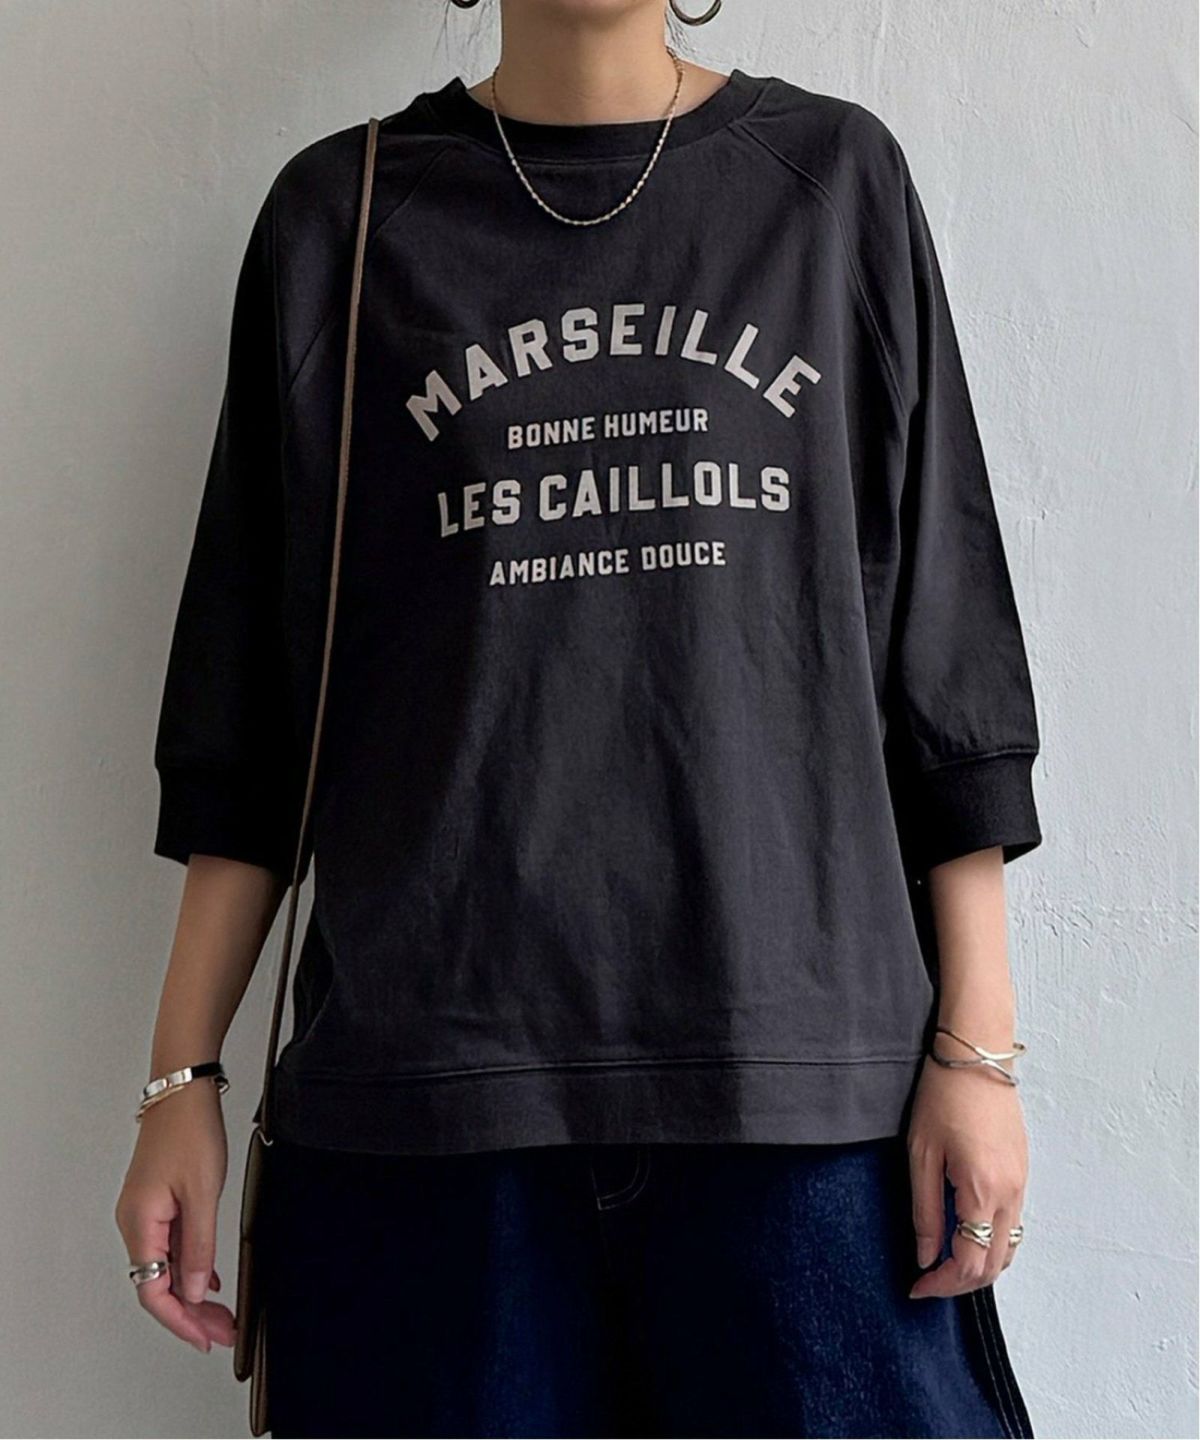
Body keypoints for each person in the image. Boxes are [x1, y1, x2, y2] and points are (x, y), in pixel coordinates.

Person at [115, 2, 1045, 1436]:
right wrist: (181, 1078)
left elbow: (946, 659)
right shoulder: (342, 216)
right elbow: (250, 712)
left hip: (804, 1121)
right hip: (430, 1119)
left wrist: (976, 1055)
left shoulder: (832, 185)